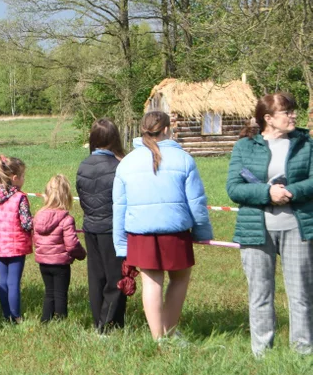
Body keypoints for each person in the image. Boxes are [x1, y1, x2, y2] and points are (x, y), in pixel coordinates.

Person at [226, 93, 313, 356]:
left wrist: (291, 192)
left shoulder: (305, 143)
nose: (293, 116)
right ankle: (262, 353)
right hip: (256, 228)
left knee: (301, 294)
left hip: (297, 227)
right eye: (286, 112)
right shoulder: (245, 146)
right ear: (268, 118)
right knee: (260, 294)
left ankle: (303, 352)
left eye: (293, 111)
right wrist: (268, 194)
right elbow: (234, 188)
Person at [113, 111, 213, 341]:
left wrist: (121, 244)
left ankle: (159, 338)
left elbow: (118, 207)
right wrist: (202, 232)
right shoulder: (184, 159)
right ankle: (169, 331)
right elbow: (197, 202)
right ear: (167, 129)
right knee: (179, 279)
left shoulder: (126, 163)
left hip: (140, 234)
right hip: (175, 233)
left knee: (151, 283)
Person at [76, 119, 128, 333]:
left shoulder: (84, 165)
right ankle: (108, 325)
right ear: (114, 138)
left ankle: (99, 321)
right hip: (112, 228)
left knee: (96, 278)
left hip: (91, 226)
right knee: (116, 278)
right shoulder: (119, 167)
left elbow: (81, 195)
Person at [32, 174, 87, 322]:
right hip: (60, 263)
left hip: (43, 262)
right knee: (61, 294)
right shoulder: (66, 219)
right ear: (66, 196)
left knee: (49, 293)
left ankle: (45, 320)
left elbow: (35, 239)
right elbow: (71, 244)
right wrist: (81, 254)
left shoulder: (38, 216)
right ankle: (60, 322)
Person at [0, 155, 32, 323]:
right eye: (22, 176)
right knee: (14, 282)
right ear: (14, 178)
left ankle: (5, 313)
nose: (23, 179)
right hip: (16, 246)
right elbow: (26, 223)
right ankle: (15, 315)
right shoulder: (20, 198)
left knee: (4, 281)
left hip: (0, 244)